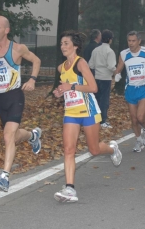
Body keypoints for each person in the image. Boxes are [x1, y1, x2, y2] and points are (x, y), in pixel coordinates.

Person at [53, 30, 122, 202]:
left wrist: (72, 87)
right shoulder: (61, 68)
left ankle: (113, 149)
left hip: (88, 111)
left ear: (75, 46)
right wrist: (60, 92)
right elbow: (65, 88)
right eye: (61, 44)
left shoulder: (80, 63)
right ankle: (70, 189)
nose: (63, 46)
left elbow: (93, 88)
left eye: (66, 43)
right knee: (69, 150)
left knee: (94, 150)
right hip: (70, 112)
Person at [0, 16, 42, 192]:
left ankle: (4, 177)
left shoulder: (18, 49)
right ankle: (32, 136)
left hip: (15, 96)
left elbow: (36, 60)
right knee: (13, 136)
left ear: (6, 30)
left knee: (7, 136)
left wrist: (33, 80)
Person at [114, 31, 145, 152]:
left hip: (143, 88)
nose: (131, 43)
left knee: (140, 117)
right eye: (129, 41)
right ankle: (139, 140)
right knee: (134, 119)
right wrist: (117, 75)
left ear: (139, 41)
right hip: (130, 89)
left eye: (133, 41)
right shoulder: (123, 54)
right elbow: (119, 67)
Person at [88, 29, 116, 129]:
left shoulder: (96, 50)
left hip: (96, 77)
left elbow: (90, 64)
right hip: (106, 78)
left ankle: (94, 119)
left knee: (96, 99)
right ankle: (103, 120)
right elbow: (111, 66)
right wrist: (116, 72)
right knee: (104, 100)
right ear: (109, 39)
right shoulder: (110, 51)